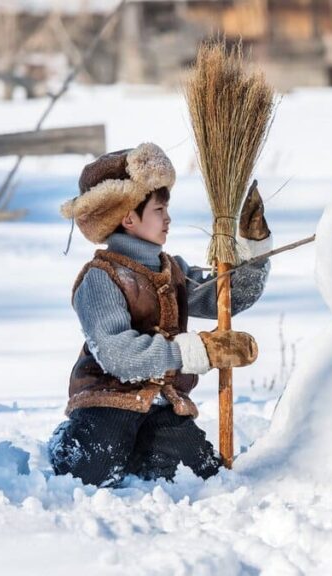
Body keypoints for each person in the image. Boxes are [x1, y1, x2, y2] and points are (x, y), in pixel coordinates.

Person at [48, 143, 271, 487]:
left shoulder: (173, 271)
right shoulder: (101, 277)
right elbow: (117, 354)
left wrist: (254, 249)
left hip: (162, 404)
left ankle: (141, 450)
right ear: (128, 217)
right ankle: (70, 440)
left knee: (199, 473)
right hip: (108, 399)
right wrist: (196, 351)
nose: (168, 218)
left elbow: (224, 298)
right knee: (92, 472)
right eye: (159, 209)